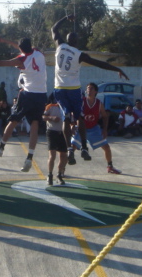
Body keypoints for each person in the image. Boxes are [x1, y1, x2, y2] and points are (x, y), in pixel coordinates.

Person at [51, 14, 129, 165]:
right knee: (80, 116)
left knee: (66, 117)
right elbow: (99, 64)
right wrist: (116, 69)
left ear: (67, 40)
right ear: (77, 42)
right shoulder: (80, 55)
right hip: (73, 89)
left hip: (59, 88)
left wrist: (65, 18)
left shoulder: (60, 46)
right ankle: (85, 147)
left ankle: (69, 148)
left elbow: (54, 28)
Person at [0, 35, 48, 173]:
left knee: (14, 120)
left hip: (28, 94)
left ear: (21, 49)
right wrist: (6, 41)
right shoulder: (38, 52)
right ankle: (29, 157)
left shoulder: (21, 60)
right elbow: (21, 47)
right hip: (41, 95)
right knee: (34, 124)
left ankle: (1, 148)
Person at [70, 82, 121, 174]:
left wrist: (105, 129)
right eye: (88, 88)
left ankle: (110, 166)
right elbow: (73, 114)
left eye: (91, 88)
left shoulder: (99, 104)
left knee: (106, 147)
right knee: (71, 148)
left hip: (93, 129)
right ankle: (62, 171)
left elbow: (105, 116)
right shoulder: (81, 102)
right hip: (81, 128)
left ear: (96, 91)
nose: (89, 90)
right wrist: (72, 125)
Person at [42, 94, 67, 185]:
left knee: (63, 155)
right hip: (52, 132)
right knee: (52, 155)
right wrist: (51, 118)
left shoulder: (66, 107)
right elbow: (43, 117)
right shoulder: (50, 107)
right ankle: (50, 175)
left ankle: (59, 175)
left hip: (63, 133)